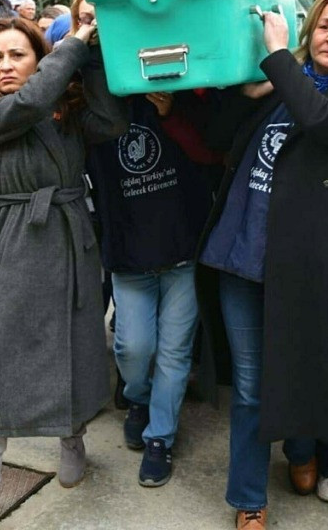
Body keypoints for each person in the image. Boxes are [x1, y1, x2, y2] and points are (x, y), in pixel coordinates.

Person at [194, 0, 328, 530]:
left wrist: (280, 61)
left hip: (308, 267)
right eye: (325, 25)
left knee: (301, 369)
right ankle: (249, 498)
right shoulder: (277, 86)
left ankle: (302, 448)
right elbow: (216, 137)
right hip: (242, 256)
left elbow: (323, 122)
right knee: (251, 385)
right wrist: (248, 91)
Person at [0, 16, 127, 530]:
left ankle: (72, 440)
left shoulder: (63, 109)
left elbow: (111, 123)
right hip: (15, 244)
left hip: (71, 241)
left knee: (73, 349)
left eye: (18, 55)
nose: (5, 65)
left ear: (39, 59)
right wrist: (73, 44)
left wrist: (90, 60)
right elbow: (30, 104)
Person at [87, 86, 217, 487]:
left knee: (174, 353)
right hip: (130, 254)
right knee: (133, 347)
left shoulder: (186, 95)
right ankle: (139, 398)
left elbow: (211, 151)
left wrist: (172, 112)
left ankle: (160, 437)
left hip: (182, 250)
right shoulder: (99, 107)